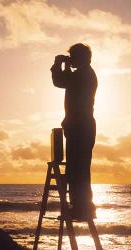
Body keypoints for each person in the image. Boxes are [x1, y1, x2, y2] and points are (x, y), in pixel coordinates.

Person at [50, 43, 97, 220]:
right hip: (81, 126)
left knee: (77, 169)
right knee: (79, 169)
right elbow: (67, 82)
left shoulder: (83, 74)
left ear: (80, 57)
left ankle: (81, 208)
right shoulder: (84, 73)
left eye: (73, 57)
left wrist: (57, 64)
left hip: (80, 127)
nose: (71, 59)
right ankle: (81, 207)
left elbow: (60, 81)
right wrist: (66, 66)